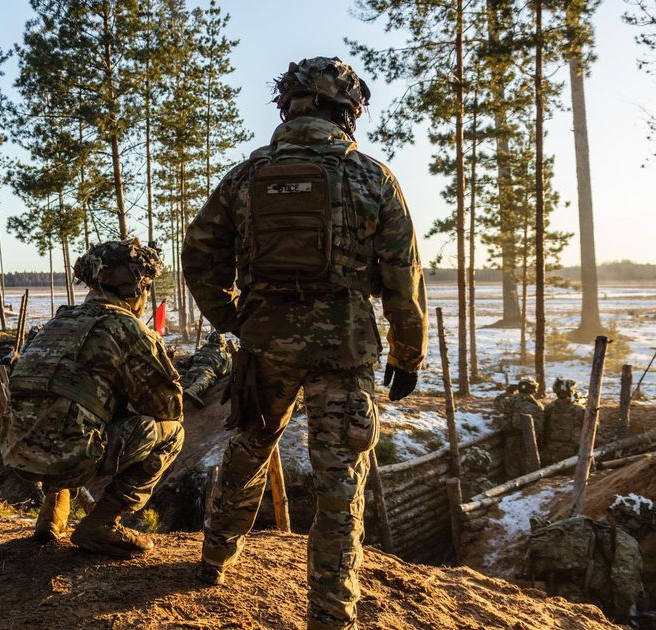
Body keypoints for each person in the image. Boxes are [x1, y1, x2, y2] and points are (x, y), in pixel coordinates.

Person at [182, 56, 428, 629]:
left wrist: (233, 319)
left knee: (247, 449)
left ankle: (215, 559)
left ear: (288, 104)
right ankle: (330, 613)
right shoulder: (371, 176)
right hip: (344, 349)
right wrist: (407, 355)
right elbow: (402, 277)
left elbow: (199, 255)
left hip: (265, 342)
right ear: (346, 109)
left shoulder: (246, 176)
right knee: (340, 481)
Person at [0, 239, 184, 557]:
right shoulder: (126, 328)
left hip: (18, 455)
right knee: (172, 434)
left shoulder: (57, 322)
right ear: (135, 289)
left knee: (74, 411)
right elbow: (168, 408)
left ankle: (51, 516)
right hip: (67, 459)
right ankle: (101, 523)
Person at [523, 493, 656, 624]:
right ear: (635, 522)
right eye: (646, 528)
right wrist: (626, 618)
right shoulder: (627, 543)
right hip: (587, 603)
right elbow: (624, 586)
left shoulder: (592, 528)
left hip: (559, 592)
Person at [500, 378, 546, 478]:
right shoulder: (537, 405)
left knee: (511, 464)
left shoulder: (510, 400)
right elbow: (540, 426)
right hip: (528, 440)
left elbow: (498, 403)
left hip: (511, 437)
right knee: (527, 464)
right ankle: (527, 489)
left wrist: (508, 392)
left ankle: (511, 488)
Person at [181, 331, 233, 409]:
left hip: (192, 370)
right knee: (203, 381)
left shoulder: (201, 350)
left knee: (185, 383)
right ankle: (192, 391)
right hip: (206, 372)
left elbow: (187, 362)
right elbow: (224, 370)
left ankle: (179, 394)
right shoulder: (222, 353)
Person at [543, 378, 584, 465]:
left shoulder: (549, 408)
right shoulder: (579, 409)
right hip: (573, 452)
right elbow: (594, 428)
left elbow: (543, 428)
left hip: (551, 450)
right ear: (571, 392)